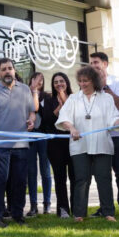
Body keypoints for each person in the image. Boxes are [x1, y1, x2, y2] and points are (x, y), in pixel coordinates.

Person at [56, 66, 119, 222]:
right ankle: (79, 214)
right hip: (80, 145)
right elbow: (64, 117)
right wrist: (72, 128)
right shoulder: (73, 99)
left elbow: (113, 118)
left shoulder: (106, 98)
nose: (82, 84)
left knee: (104, 178)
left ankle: (108, 213)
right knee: (81, 178)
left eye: (85, 81)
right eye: (80, 81)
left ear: (93, 81)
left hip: (102, 144)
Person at [0, 58, 35, 228]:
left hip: (21, 144)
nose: (7, 71)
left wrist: (31, 121)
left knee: (20, 181)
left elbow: (32, 113)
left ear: (14, 71)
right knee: (1, 180)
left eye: (10, 68)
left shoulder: (25, 89)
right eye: (3, 69)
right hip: (0, 145)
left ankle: (18, 214)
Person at [89, 52, 119, 217]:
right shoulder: (89, 85)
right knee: (102, 174)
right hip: (99, 134)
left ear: (105, 63)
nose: (93, 66)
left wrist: (105, 87)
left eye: (96, 62)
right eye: (91, 63)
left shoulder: (117, 82)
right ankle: (105, 207)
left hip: (117, 134)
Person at [42, 72, 74, 218]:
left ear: (67, 82)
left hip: (73, 143)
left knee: (75, 177)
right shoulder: (48, 99)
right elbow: (46, 121)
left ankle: (77, 207)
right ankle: (63, 209)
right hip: (55, 145)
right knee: (60, 178)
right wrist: (59, 107)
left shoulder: (75, 98)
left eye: (61, 81)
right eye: (56, 82)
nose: (59, 84)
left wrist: (66, 103)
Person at [25, 72, 50, 216]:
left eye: (42, 79)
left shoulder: (46, 96)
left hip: (44, 135)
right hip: (29, 135)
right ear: (31, 79)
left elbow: (45, 114)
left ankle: (47, 203)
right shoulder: (24, 93)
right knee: (31, 171)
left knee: (45, 170)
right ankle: (33, 205)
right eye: (37, 79)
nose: (39, 82)